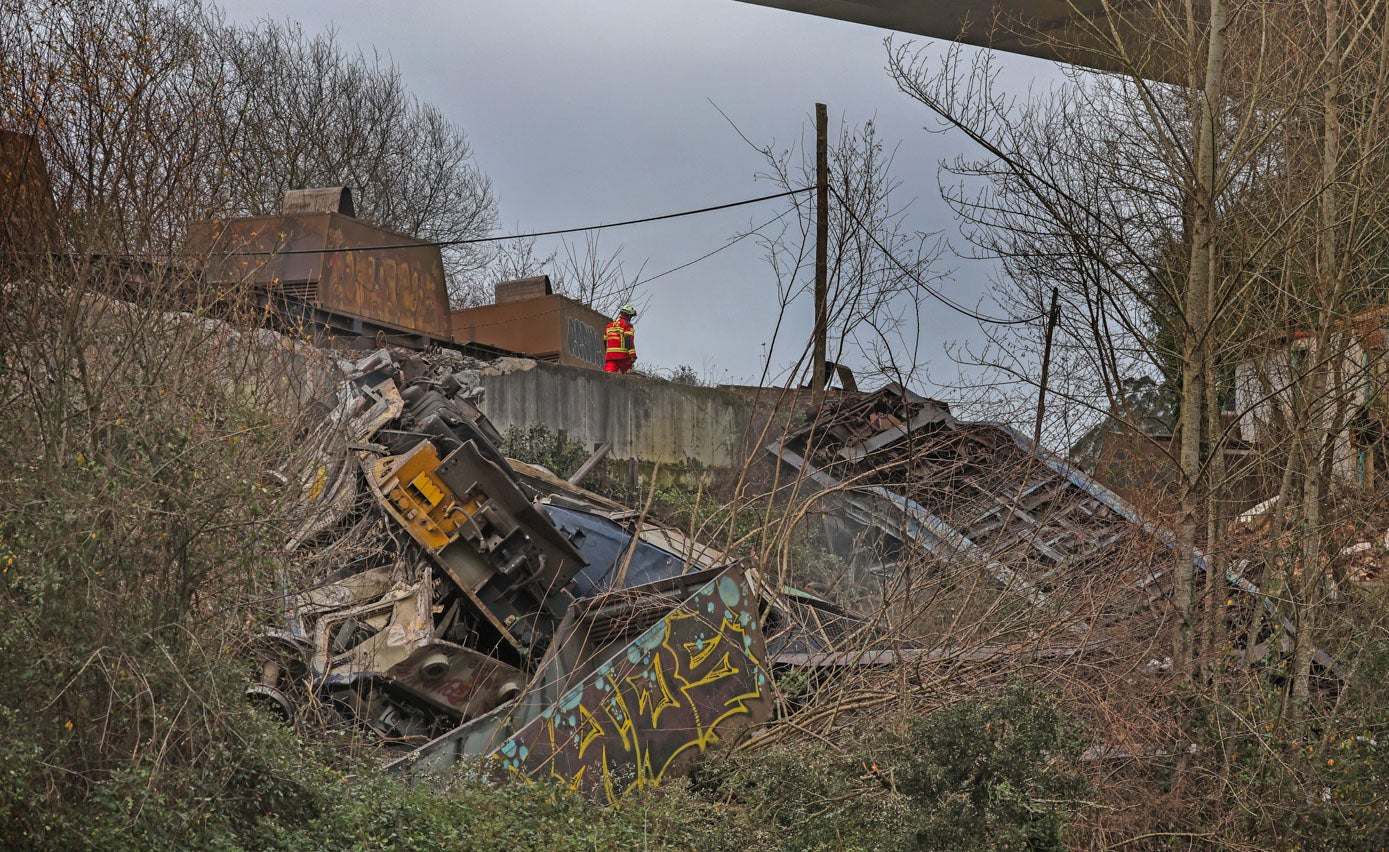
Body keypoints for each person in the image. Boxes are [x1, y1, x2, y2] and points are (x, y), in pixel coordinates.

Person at [604, 304, 637, 374]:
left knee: (608, 376)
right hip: (624, 357)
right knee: (629, 377)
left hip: (610, 357)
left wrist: (609, 353)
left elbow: (605, 342)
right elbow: (628, 339)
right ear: (628, 315)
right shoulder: (627, 325)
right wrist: (633, 355)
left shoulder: (609, 326)